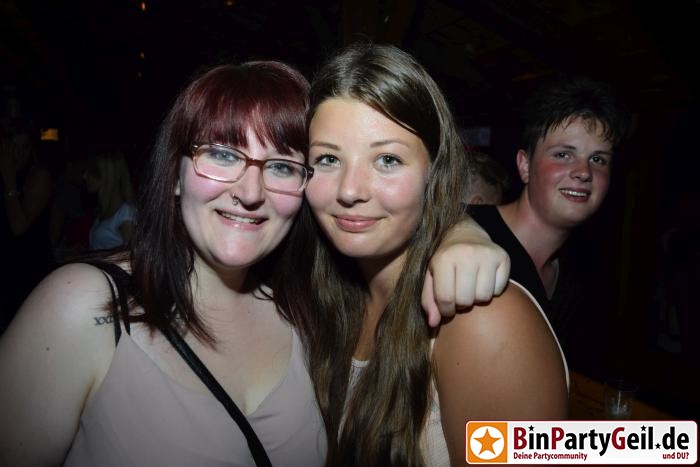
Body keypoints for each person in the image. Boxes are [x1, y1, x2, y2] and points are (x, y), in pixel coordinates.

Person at [0, 61, 508, 466]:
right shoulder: (82, 307)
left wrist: (458, 227)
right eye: (222, 154)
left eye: (282, 166)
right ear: (174, 173)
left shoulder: (477, 315)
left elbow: (549, 447)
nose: (249, 191)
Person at [288, 43, 568, 467]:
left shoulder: (483, 320)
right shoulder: (330, 293)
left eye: (387, 159)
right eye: (328, 158)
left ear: (434, 173)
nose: (350, 190)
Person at [466, 76, 630, 352]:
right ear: (525, 166)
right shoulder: (466, 230)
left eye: (598, 159)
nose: (584, 172)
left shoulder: (580, 279)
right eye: (563, 154)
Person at [0, 121, 54, 332]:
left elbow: (19, 227)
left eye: (24, 147)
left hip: (29, 269)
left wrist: (9, 180)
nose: (19, 154)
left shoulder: (38, 175)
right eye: (14, 147)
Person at [83, 149, 137, 250]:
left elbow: (134, 254)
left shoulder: (125, 212)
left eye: (91, 172)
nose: (85, 176)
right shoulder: (101, 211)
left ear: (106, 176)